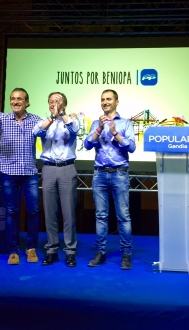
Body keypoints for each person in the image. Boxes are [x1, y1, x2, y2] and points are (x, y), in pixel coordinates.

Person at [0, 87, 41, 265]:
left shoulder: (35, 120)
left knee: (34, 211)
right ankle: (12, 250)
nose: (15, 101)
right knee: (12, 212)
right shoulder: (2, 118)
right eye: (12, 99)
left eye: (19, 99)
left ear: (27, 102)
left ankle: (31, 248)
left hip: (29, 173)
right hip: (8, 173)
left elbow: (47, 130)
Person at [84, 89, 136, 270]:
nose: (105, 102)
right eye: (103, 99)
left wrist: (115, 133)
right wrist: (99, 128)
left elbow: (132, 147)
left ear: (116, 102)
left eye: (109, 99)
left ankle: (126, 255)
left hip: (119, 174)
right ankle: (100, 253)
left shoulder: (126, 123)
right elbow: (87, 144)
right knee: (101, 216)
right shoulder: (95, 123)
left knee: (123, 217)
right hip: (99, 174)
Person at [33, 92, 80, 267]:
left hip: (67, 168)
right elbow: (36, 132)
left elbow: (75, 130)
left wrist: (62, 115)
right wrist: (52, 118)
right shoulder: (45, 122)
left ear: (65, 104)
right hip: (48, 169)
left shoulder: (73, 120)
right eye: (51, 101)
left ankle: (70, 251)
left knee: (69, 213)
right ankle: (52, 249)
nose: (54, 104)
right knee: (49, 212)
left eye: (58, 101)